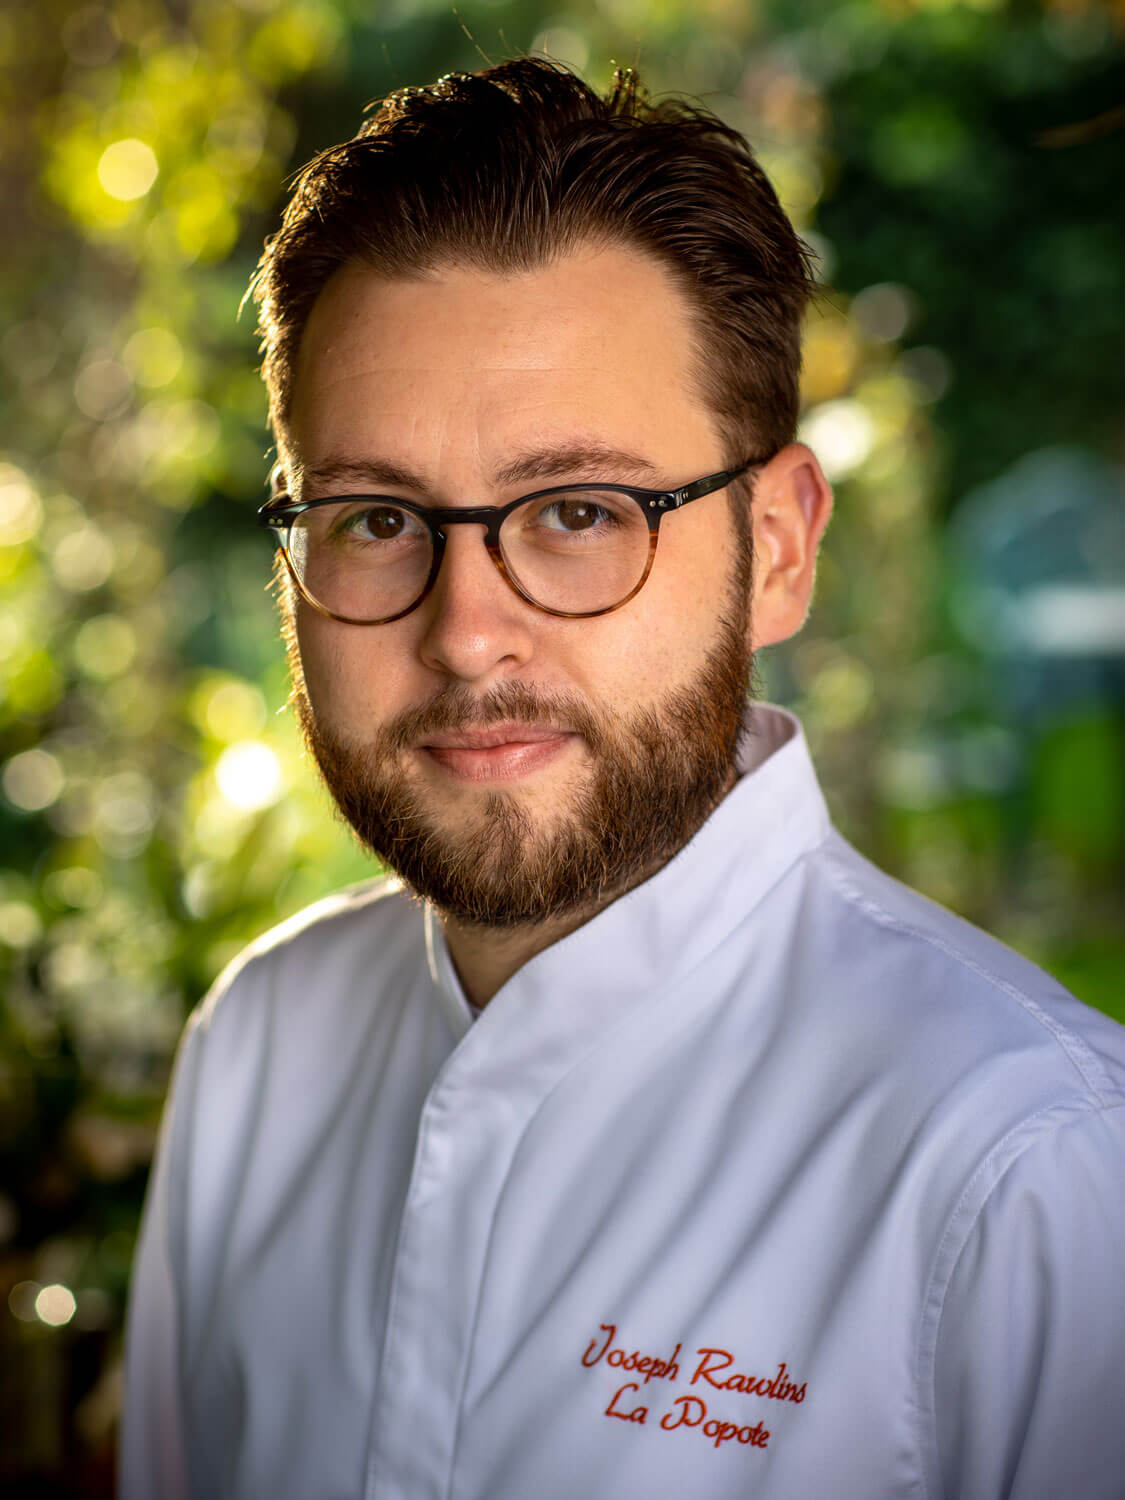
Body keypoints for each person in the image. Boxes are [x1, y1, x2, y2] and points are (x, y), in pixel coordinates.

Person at [119, 58, 1125, 1500]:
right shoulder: (262, 1047)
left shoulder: (1031, 1170)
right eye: (376, 518)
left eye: (580, 511)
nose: (466, 631)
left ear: (775, 545)